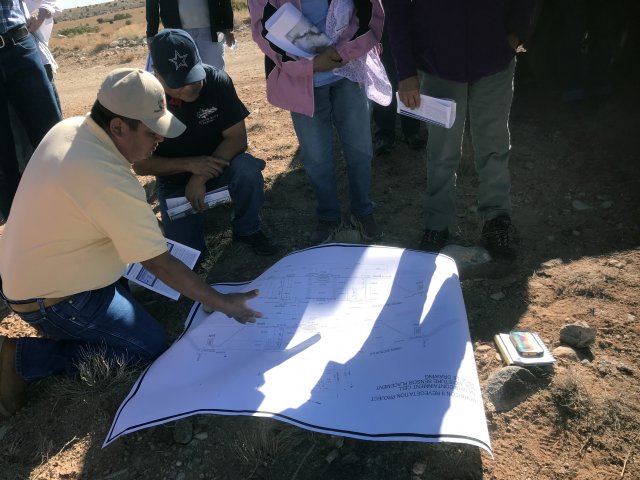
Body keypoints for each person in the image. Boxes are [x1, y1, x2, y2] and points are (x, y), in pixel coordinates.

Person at [0, 68, 262, 418]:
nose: (160, 142)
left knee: (142, 308)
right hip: (53, 299)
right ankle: (19, 359)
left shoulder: (72, 128)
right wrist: (220, 302)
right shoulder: (106, 178)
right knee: (147, 347)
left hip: (41, 272)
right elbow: (158, 262)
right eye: (152, 133)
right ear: (119, 127)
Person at [384, 0, 536, 261]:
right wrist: (406, 71)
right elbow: (397, 10)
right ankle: (437, 224)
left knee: (494, 145)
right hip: (437, 64)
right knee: (442, 151)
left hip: (494, 60)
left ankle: (497, 219)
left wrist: (517, 31)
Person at [248, 0, 384, 245]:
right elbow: (264, 28)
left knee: (360, 150)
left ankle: (363, 210)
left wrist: (344, 52)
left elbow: (369, 10)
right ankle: (328, 216)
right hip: (302, 81)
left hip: (349, 71)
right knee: (316, 158)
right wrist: (310, 65)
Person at [136, 28, 278, 256]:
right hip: (174, 182)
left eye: (193, 77)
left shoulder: (217, 80)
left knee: (247, 169)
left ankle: (247, 229)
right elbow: (141, 165)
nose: (189, 87)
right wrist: (190, 166)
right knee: (189, 255)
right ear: (158, 75)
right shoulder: (143, 100)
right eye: (178, 83)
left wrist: (200, 176)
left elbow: (237, 139)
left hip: (220, 168)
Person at [0, 0, 62, 223]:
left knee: (52, 139)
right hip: (19, 44)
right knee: (3, 155)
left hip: (19, 42)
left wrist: (44, 9)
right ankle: (20, 232)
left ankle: (72, 218)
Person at [371, 24, 426, 156]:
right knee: (383, 75)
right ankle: (384, 133)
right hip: (379, 16)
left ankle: (412, 131)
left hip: (406, 12)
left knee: (408, 73)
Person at [146, 0, 235, 71]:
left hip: (211, 31)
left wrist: (228, 27)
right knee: (184, 78)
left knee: (215, 73)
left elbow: (225, 2)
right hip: (177, 33)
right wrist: (151, 34)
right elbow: (152, 3)